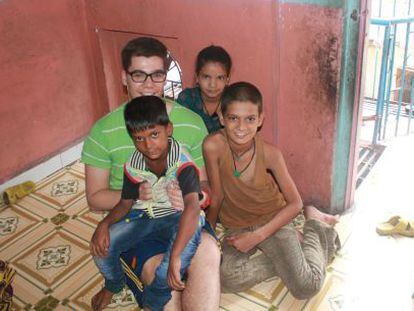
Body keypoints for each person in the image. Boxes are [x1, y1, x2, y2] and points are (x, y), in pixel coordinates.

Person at [81, 37, 220, 310]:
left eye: (156, 75)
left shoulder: (191, 124)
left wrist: (196, 196)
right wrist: (135, 196)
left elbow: (204, 186)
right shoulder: (103, 131)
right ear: (124, 77)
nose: (148, 84)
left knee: (209, 252)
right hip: (138, 217)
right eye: (138, 75)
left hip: (182, 215)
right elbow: (95, 197)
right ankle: (126, 280)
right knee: (160, 275)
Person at [203, 81, 340, 299]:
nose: (241, 127)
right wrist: (207, 233)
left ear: (260, 120)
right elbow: (217, 194)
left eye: (249, 119)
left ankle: (316, 225)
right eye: (233, 118)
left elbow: (295, 203)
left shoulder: (270, 153)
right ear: (221, 117)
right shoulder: (212, 146)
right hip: (236, 225)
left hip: (272, 220)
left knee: (306, 286)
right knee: (226, 278)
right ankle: (285, 262)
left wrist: (257, 237)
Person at [91, 96, 205, 311]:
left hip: (180, 219)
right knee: (100, 248)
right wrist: (104, 224)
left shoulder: (182, 161)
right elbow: (125, 203)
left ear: (168, 129)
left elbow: (192, 206)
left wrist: (175, 257)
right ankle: (115, 283)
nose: (148, 145)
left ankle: (151, 303)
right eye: (139, 138)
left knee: (169, 267)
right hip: (146, 218)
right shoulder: (133, 163)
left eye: (154, 135)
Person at [177, 45, 231, 133]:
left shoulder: (232, 101)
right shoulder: (187, 99)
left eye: (220, 78)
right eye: (206, 77)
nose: (212, 85)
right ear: (197, 77)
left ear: (227, 80)